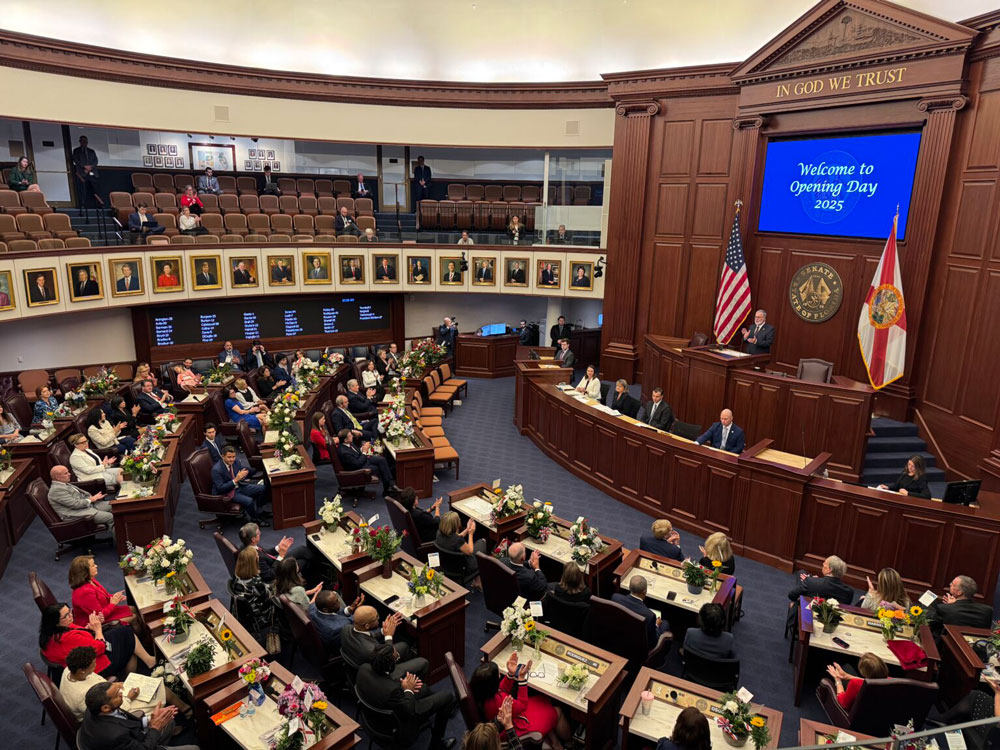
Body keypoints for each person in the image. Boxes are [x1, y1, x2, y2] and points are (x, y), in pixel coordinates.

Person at [357, 644, 455, 750]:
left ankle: (439, 706)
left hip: (369, 719)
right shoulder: (393, 689)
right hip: (398, 726)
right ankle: (437, 744)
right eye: (397, 657)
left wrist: (407, 689)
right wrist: (408, 689)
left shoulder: (363, 669)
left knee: (423, 688)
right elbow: (410, 710)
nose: (398, 655)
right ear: (391, 666)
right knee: (447, 696)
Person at [470, 654, 569, 749]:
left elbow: (501, 689)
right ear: (493, 684)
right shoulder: (501, 702)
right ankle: (569, 740)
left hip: (506, 722)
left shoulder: (483, 694)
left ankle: (555, 742)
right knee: (556, 710)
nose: (500, 675)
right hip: (515, 728)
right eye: (498, 675)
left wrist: (511, 674)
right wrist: (522, 680)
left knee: (544, 701)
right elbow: (522, 705)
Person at [78, 680, 197, 750]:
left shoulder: (93, 708)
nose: (121, 693)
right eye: (117, 694)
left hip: (133, 740)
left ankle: (164, 736)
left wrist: (151, 721)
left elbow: (124, 719)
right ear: (105, 708)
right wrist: (155, 727)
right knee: (195, 749)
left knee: (169, 721)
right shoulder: (116, 735)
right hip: (139, 745)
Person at [40, 603, 140, 679]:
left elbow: (77, 632)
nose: (71, 615)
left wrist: (89, 627)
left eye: (70, 611)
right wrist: (98, 630)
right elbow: (101, 648)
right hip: (94, 667)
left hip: (83, 658)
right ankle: (131, 677)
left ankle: (147, 661)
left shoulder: (50, 633)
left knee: (121, 631)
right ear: (56, 623)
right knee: (127, 638)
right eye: (66, 615)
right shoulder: (67, 638)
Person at [342, 606, 423, 671]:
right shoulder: (371, 650)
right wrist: (388, 636)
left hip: (355, 657)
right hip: (379, 670)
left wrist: (383, 631)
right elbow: (388, 657)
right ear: (367, 625)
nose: (378, 619)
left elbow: (367, 635)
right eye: (376, 618)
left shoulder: (346, 628)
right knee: (404, 645)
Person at [69, 555, 134, 627]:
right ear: (85, 571)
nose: (96, 566)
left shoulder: (91, 580)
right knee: (134, 617)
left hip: (106, 610)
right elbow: (99, 616)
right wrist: (113, 603)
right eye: (93, 565)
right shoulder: (84, 593)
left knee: (134, 609)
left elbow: (102, 595)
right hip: (95, 623)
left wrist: (114, 597)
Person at [239, 522, 312, 584]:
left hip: (273, 562)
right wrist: (281, 555)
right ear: (253, 539)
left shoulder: (246, 545)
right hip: (276, 570)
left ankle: (319, 563)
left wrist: (278, 547)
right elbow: (270, 576)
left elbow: (265, 553)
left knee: (302, 550)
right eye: (258, 533)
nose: (260, 533)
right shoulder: (256, 557)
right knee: (304, 562)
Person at [213, 445, 268, 522]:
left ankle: (260, 511)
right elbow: (220, 488)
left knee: (262, 488)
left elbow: (242, 471)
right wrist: (235, 480)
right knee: (249, 501)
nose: (232, 459)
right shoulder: (216, 470)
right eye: (229, 457)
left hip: (239, 486)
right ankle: (255, 519)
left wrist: (254, 470)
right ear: (222, 456)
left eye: (233, 457)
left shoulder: (236, 462)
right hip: (228, 492)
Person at [613, 576, 672, 646]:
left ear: (629, 587)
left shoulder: (615, 598)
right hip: (637, 646)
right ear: (644, 591)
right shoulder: (650, 615)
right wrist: (656, 625)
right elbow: (653, 641)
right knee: (665, 623)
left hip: (617, 636)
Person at [232, 547, 276, 641]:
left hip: (247, 611)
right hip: (261, 616)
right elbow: (270, 596)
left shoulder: (237, 576)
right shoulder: (257, 584)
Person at [336, 428, 397, 496]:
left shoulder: (349, 443)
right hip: (357, 468)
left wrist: (363, 447)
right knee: (378, 467)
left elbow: (357, 452)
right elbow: (357, 464)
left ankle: (390, 486)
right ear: (345, 440)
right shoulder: (344, 453)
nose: (352, 436)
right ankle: (388, 489)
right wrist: (364, 451)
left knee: (382, 460)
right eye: (350, 436)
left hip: (362, 459)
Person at [927, 575, 993, 636]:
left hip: (947, 644)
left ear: (959, 592)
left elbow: (931, 624)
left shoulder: (945, 609)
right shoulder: (987, 610)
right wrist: (954, 605)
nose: (950, 585)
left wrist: (952, 605)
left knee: (925, 600)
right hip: (975, 644)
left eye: (953, 584)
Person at [437, 511, 486, 581]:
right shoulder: (457, 540)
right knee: (482, 542)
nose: (459, 521)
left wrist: (467, 529)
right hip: (462, 568)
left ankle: (477, 581)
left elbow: (454, 538)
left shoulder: (439, 533)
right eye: (458, 520)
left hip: (446, 564)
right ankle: (478, 579)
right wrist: (471, 534)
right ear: (455, 525)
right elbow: (470, 551)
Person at [787, 555, 854, 602]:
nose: (823, 563)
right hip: (832, 619)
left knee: (801, 575)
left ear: (829, 570)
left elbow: (791, 595)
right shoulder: (849, 591)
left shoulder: (811, 582)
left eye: (825, 563)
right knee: (802, 573)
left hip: (808, 614)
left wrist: (810, 581)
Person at [72, 135, 100, 208]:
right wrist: (84, 166)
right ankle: (83, 204)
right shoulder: (76, 150)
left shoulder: (91, 151)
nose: (84, 143)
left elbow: (95, 161)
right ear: (80, 142)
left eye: (85, 141)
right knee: (82, 189)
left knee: (95, 188)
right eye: (82, 141)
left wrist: (90, 167)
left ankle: (97, 204)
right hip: (82, 173)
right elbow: (76, 160)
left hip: (92, 172)